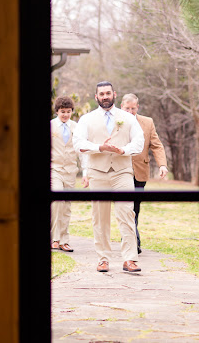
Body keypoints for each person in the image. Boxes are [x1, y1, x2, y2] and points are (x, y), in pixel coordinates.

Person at [73, 81, 144, 273]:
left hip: (122, 172)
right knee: (100, 216)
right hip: (98, 172)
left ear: (115, 94)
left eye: (108, 93)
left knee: (127, 213)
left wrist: (124, 150)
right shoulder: (87, 119)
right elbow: (77, 143)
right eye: (101, 94)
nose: (105, 96)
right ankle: (103, 258)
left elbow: (139, 141)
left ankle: (130, 259)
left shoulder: (127, 118)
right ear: (96, 97)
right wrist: (99, 148)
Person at [120, 93, 168, 254]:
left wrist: (162, 165)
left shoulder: (147, 122)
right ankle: (133, 241)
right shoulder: (115, 121)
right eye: (127, 108)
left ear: (137, 107)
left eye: (133, 108)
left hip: (140, 171)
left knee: (135, 207)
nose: (130, 111)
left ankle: (130, 236)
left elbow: (156, 145)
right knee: (126, 206)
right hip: (120, 170)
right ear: (122, 107)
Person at [50, 96, 86, 252]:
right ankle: (54, 238)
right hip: (54, 169)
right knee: (56, 201)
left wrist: (86, 171)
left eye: (68, 111)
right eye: (62, 111)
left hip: (70, 171)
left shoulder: (76, 127)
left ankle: (64, 239)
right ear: (57, 111)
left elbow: (81, 151)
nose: (65, 114)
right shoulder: (51, 126)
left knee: (66, 206)